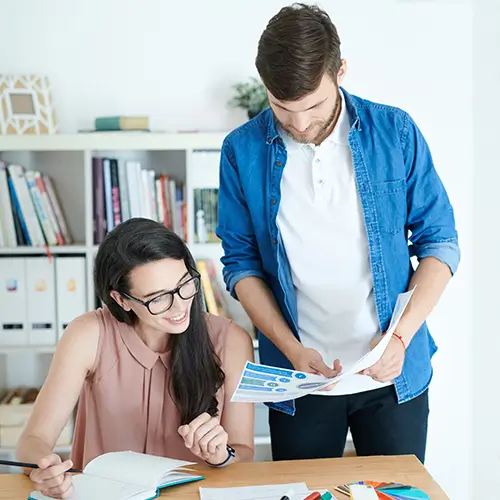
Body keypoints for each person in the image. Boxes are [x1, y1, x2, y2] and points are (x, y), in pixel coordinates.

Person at [216, 3, 459, 465]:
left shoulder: (396, 132)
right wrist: (290, 349)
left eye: (313, 107)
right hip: (299, 379)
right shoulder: (240, 151)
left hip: (393, 375)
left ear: (341, 71)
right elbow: (241, 264)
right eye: (282, 109)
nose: (300, 125)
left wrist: (401, 340)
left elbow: (440, 243)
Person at [16, 218, 254, 499]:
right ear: (122, 300)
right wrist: (44, 466)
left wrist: (220, 454)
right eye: (157, 298)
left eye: (185, 285)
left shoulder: (231, 340)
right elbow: (33, 441)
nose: (179, 306)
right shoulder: (88, 334)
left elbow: (243, 453)